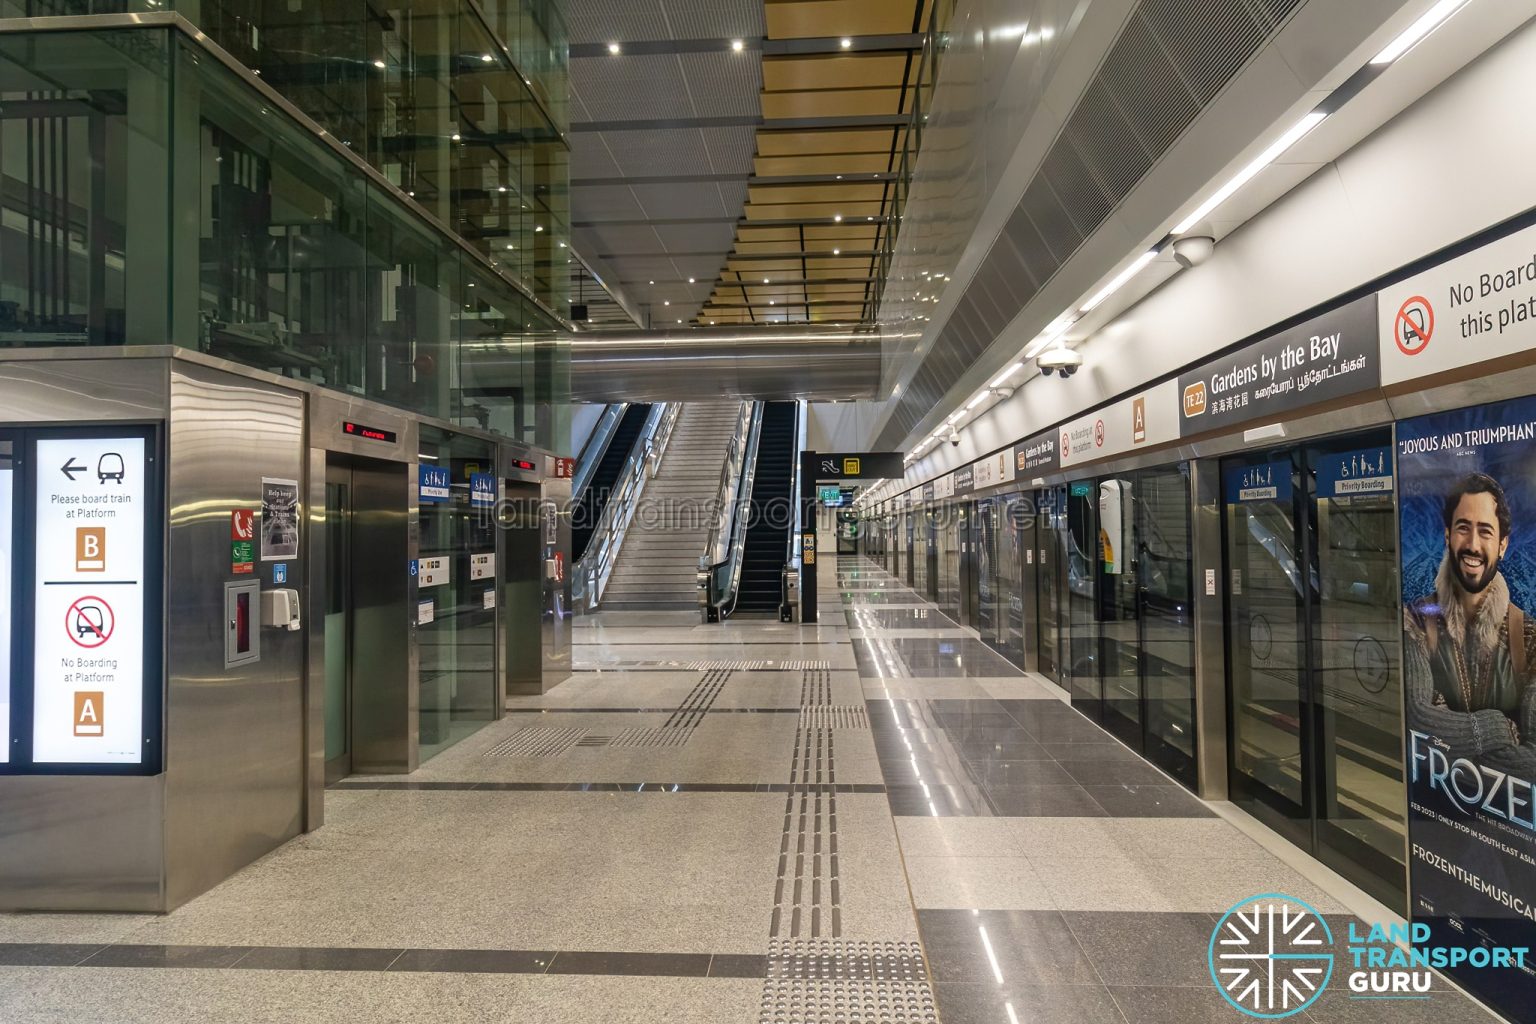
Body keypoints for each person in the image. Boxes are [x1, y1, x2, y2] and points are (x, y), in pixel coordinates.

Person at [1403, 472, 1536, 771]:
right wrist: (1502, 729)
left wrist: (1451, 734)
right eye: (1464, 528)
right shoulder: (1414, 621)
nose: (1473, 545)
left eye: (1486, 531)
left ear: (1502, 545)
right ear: (1448, 535)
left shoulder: (1529, 637)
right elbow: (1417, 718)